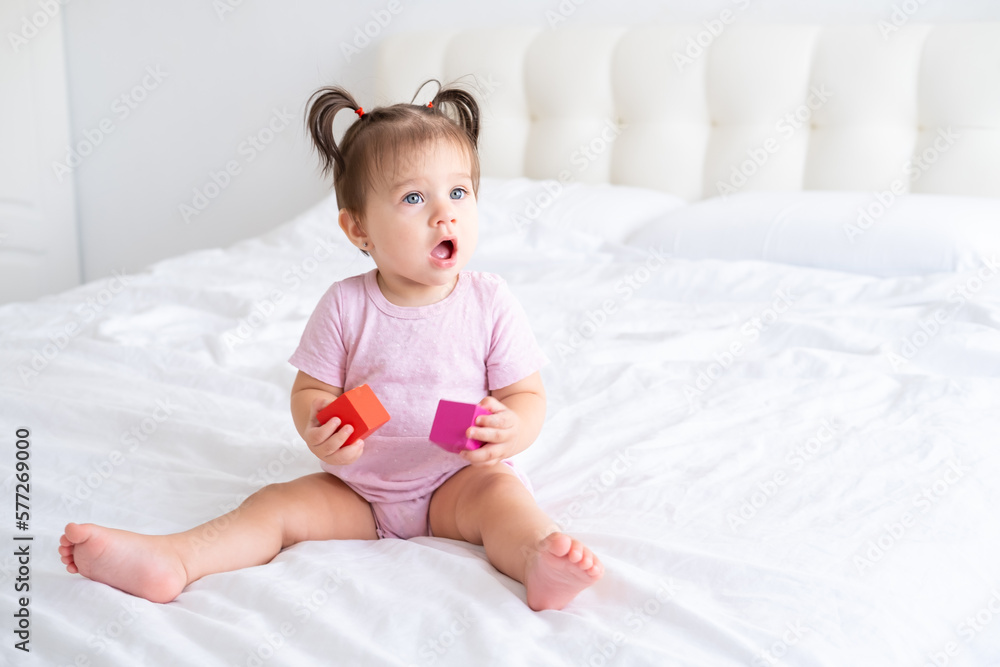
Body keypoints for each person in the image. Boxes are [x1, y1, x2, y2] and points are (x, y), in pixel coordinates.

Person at [59, 79, 604, 611]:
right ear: (357, 228)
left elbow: (526, 396)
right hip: (359, 490)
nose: (446, 213)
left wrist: (510, 430)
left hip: (458, 479)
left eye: (459, 191)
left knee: (506, 505)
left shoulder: (488, 300)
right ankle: (173, 559)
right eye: (414, 197)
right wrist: (320, 425)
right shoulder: (346, 305)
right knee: (273, 506)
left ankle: (538, 561)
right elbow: (310, 391)